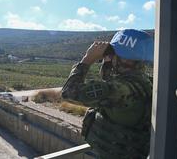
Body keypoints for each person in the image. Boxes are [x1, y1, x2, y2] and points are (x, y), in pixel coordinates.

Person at [61, 29, 154, 159]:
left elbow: (68, 92)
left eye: (115, 53)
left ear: (125, 60)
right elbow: (110, 81)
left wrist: (87, 60)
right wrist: (109, 61)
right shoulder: (141, 82)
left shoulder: (121, 90)